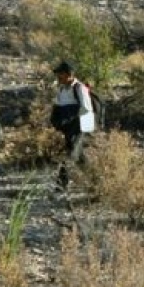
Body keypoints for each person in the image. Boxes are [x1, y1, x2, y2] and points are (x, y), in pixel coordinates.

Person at [50, 60, 94, 190]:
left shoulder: (79, 88)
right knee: (78, 155)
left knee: (71, 152)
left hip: (80, 127)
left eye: (61, 73)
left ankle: (62, 183)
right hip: (68, 128)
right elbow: (58, 107)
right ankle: (94, 181)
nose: (58, 76)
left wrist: (74, 122)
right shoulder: (61, 89)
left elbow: (86, 109)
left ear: (69, 74)